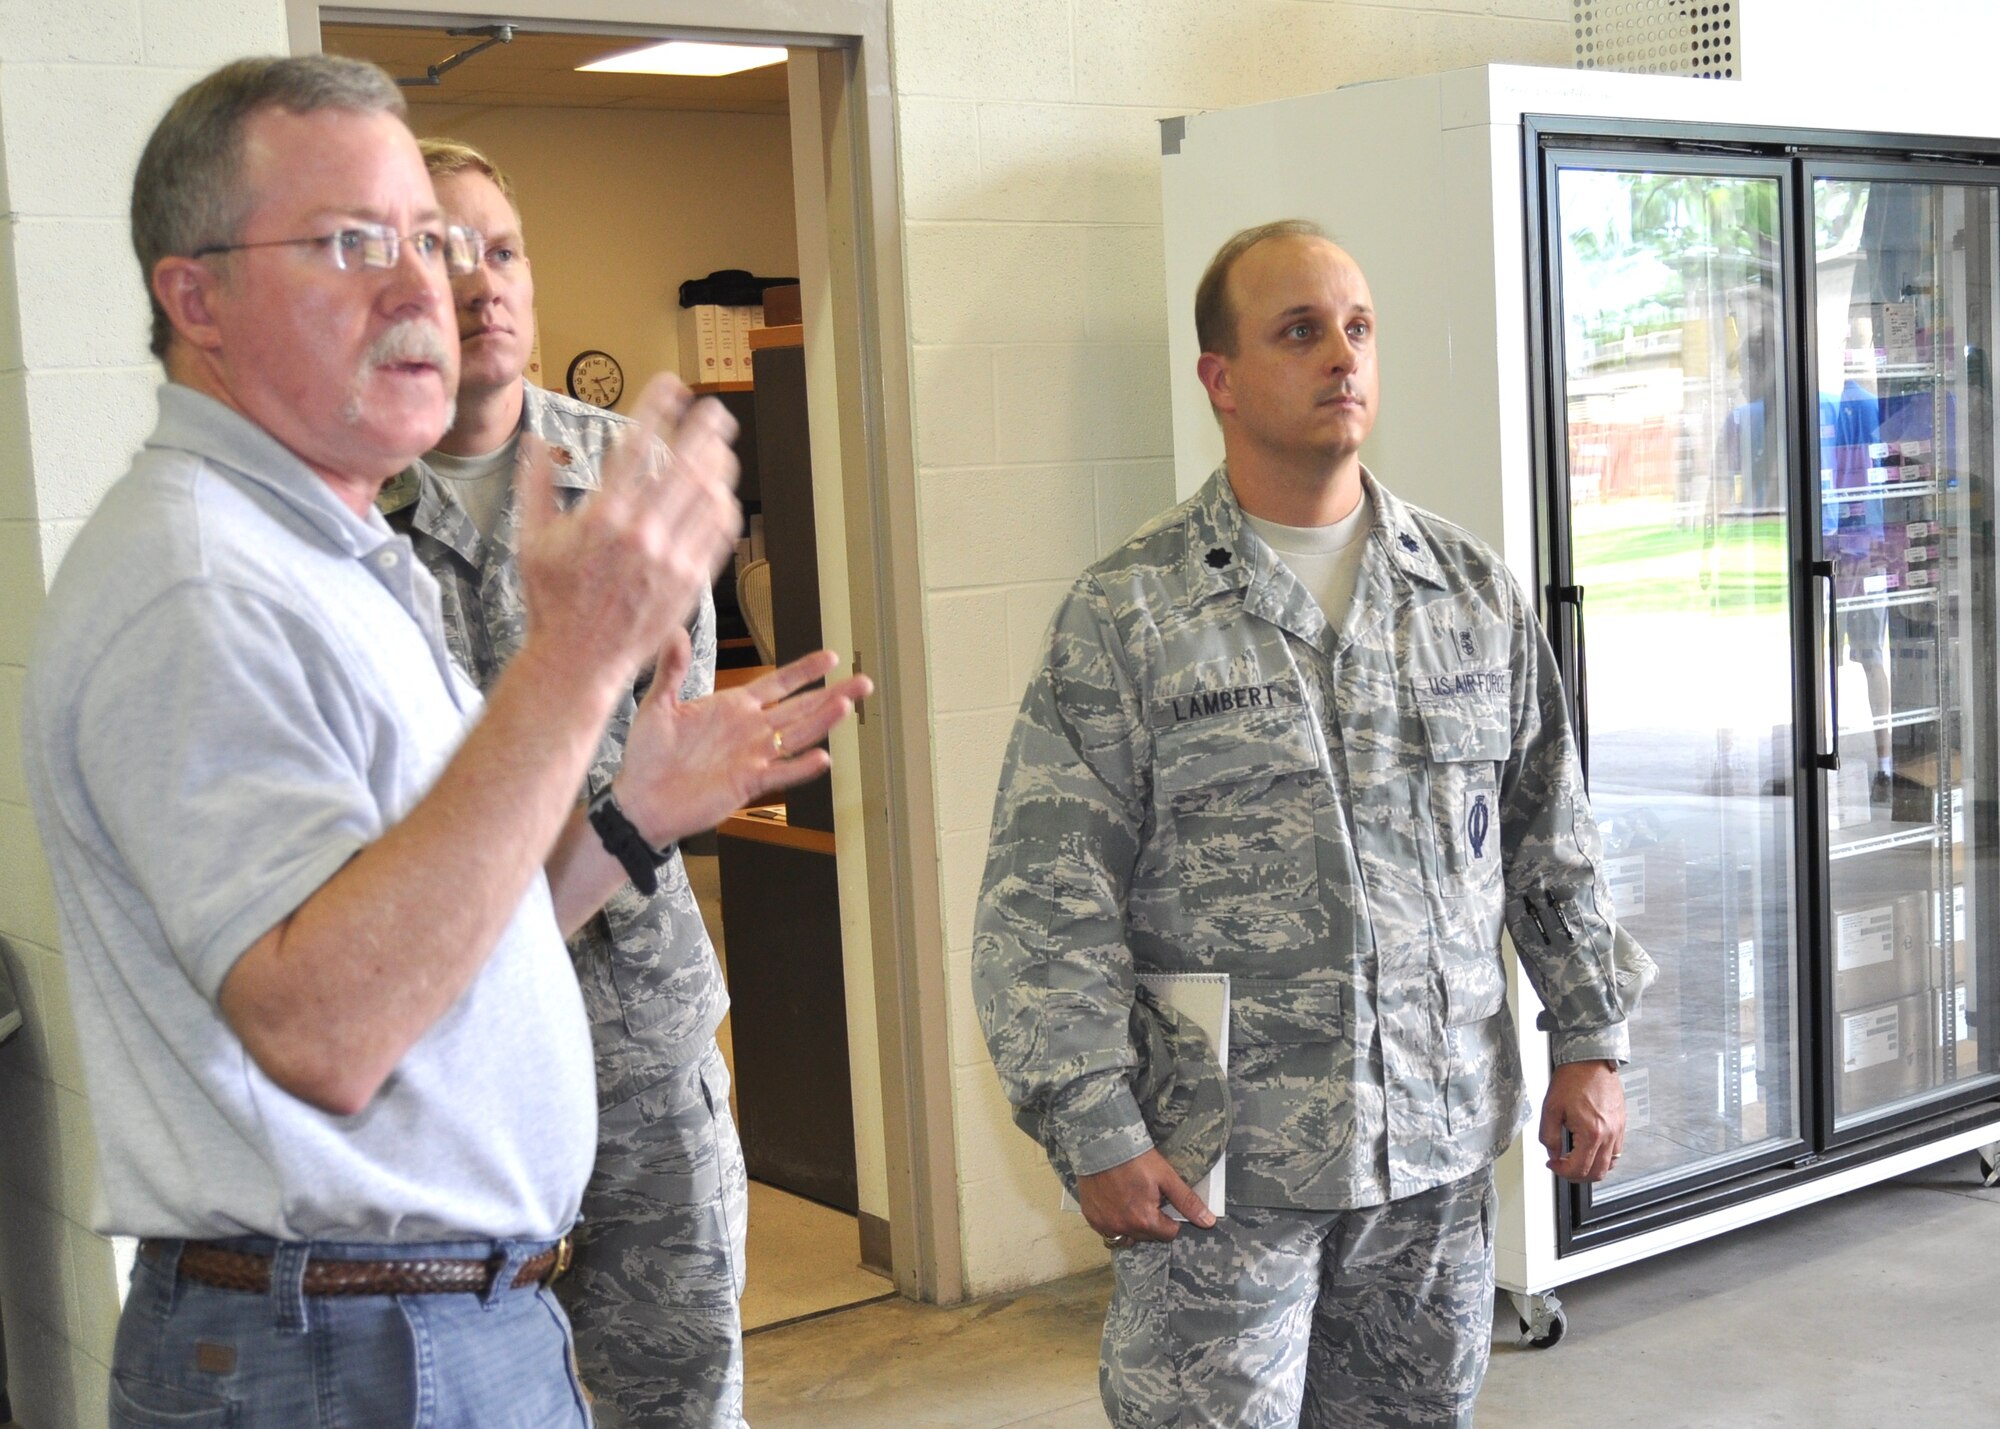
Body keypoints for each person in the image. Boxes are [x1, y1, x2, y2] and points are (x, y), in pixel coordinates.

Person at [20, 55, 867, 1428]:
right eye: (355, 243)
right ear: (198, 299)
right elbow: (329, 1026)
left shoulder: (325, 556)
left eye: (432, 238)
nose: (430, 287)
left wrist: (629, 820)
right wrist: (576, 657)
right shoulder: (202, 583)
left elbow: (443, 941)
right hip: (347, 1346)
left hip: (421, 1322)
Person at [973, 220, 1647, 1428]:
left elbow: (1550, 840)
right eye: (1299, 331)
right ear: (1218, 380)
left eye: (1357, 327)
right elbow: (1045, 897)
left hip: (1432, 1159)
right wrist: (1091, 1123)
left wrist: (1589, 1037)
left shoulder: (1468, 593)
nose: (1341, 354)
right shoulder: (1129, 616)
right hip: (1218, 1177)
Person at [378, 137, 746, 1428]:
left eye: (506, 249)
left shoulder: (637, 482)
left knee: (683, 1393)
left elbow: (682, 718)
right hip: (449, 1074)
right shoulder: (347, 511)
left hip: (643, 1044)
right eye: (444, 248)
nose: (484, 283)